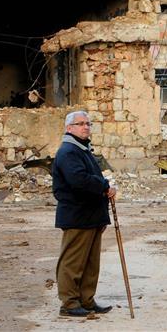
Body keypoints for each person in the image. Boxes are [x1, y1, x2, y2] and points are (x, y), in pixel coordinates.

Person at [51, 111, 117, 317]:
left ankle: (86, 300)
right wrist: (104, 186)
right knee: (73, 262)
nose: (86, 127)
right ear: (69, 128)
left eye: (88, 123)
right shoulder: (69, 151)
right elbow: (78, 180)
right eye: (80, 124)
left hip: (91, 215)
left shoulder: (83, 149)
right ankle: (69, 303)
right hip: (77, 215)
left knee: (90, 262)